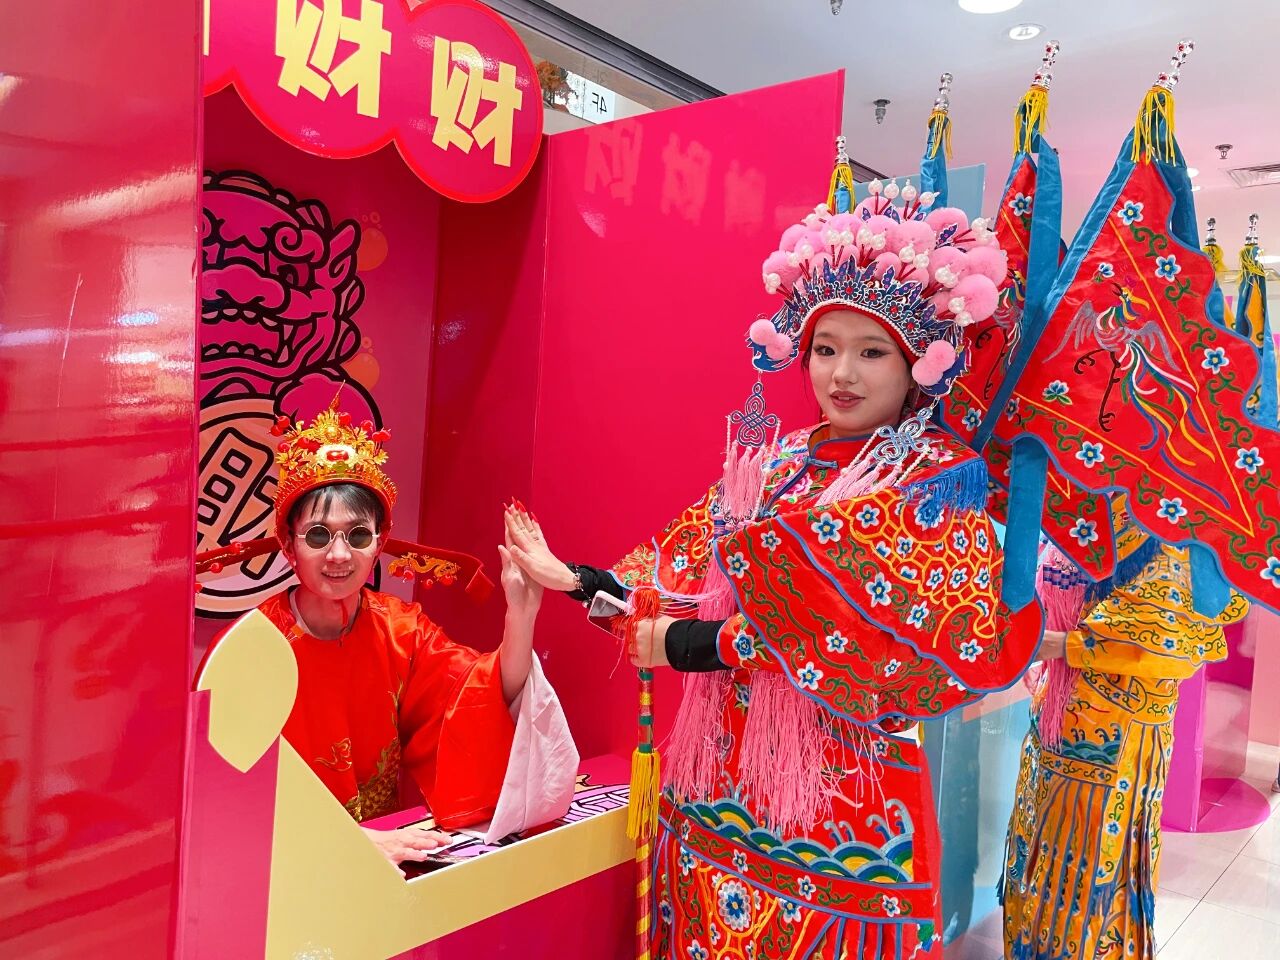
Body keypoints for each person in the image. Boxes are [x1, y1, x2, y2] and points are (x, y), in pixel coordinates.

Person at [505, 169, 1041, 958]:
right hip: (718, 783)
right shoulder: (776, 462)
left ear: (917, 364)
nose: (841, 375)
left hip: (840, 806)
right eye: (825, 349)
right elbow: (675, 582)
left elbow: (860, 630)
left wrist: (695, 646)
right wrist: (579, 580)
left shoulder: (932, 478)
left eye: (871, 352)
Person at [202, 401, 576, 865]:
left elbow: (484, 694)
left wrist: (521, 614)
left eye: (358, 536)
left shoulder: (401, 630)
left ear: (379, 543)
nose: (339, 555)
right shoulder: (249, 651)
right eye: (318, 535)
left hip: (387, 855)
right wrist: (344, 844)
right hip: (285, 860)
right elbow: (224, 796)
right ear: (288, 544)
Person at [1001, 504, 1247, 960]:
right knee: (1037, 851)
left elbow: (1172, 644)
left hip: (1116, 734)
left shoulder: (1178, 524)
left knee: (1092, 868)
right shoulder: (1090, 505)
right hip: (1056, 714)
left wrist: (1061, 645)